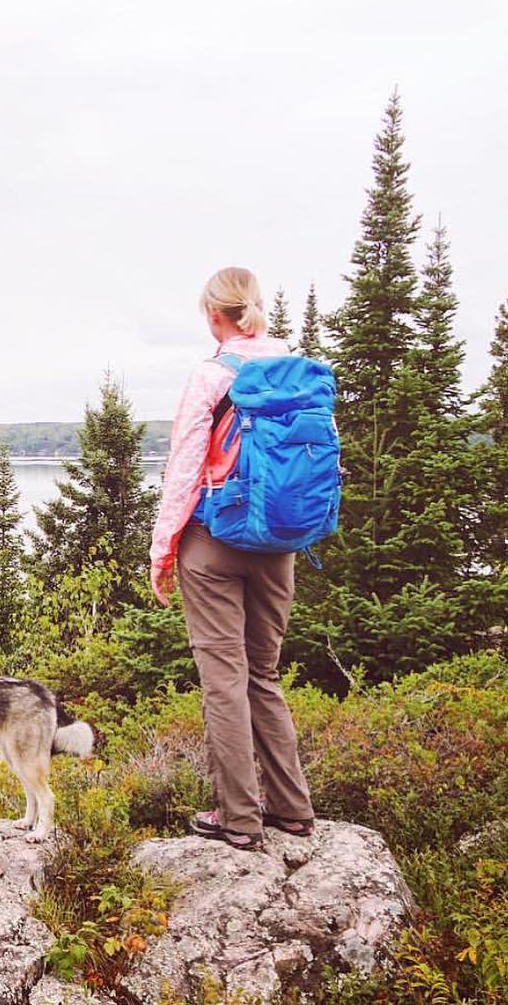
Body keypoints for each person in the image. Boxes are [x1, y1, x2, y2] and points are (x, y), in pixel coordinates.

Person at [150, 266, 315, 852]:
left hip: (214, 544)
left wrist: (162, 551)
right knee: (263, 675)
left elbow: (185, 470)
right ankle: (293, 809)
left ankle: (240, 819)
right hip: (279, 545)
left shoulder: (212, 374)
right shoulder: (297, 372)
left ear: (215, 317)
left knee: (224, 682)